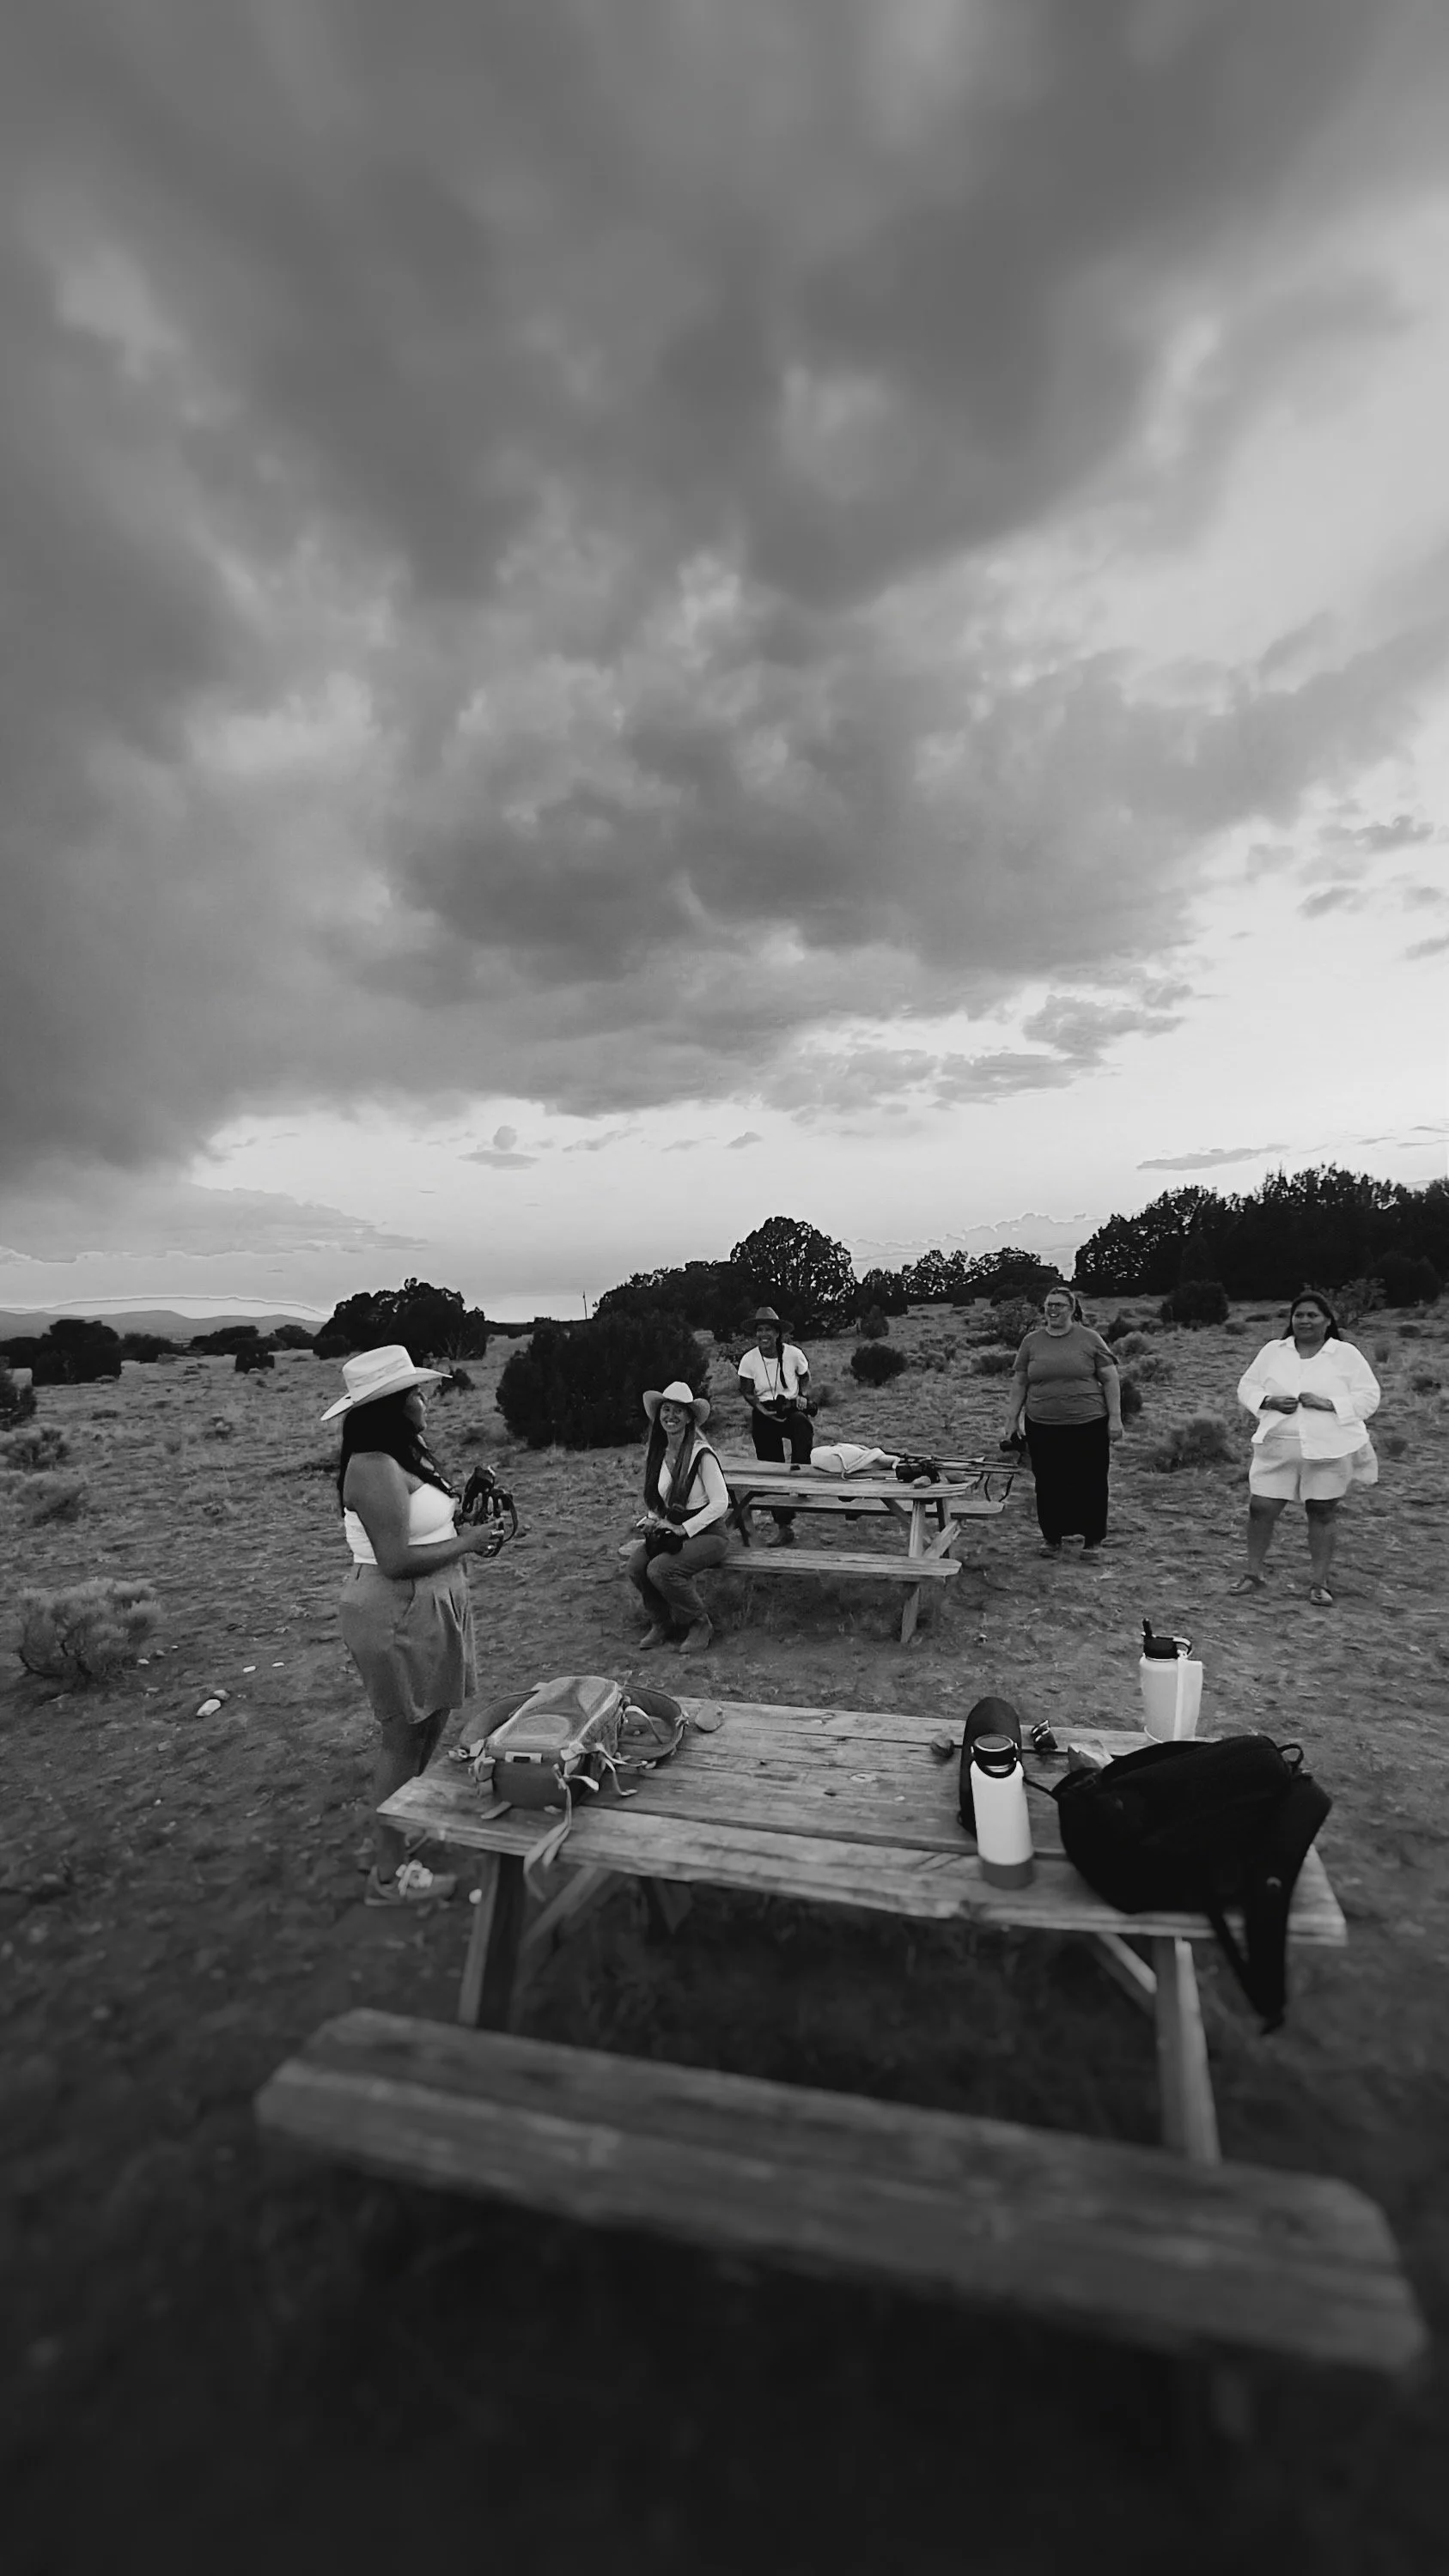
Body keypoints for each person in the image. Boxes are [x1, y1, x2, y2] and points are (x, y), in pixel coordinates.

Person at [325, 1345, 502, 1905]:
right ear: (393, 1406)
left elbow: (424, 1531)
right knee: (403, 1738)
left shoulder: (404, 1454)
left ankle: (403, 1830)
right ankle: (389, 1876)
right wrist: (468, 1542)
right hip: (395, 1607)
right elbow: (396, 1559)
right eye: (417, 1394)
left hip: (432, 1599)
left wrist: (465, 1528)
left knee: (432, 1721)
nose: (426, 1402)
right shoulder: (372, 1466)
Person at [1233, 1288, 1380, 1607]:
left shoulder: (1345, 1354)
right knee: (1261, 1508)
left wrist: (1328, 1404)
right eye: (1299, 1315)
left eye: (1313, 1315)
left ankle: (1319, 1582)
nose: (1305, 1320)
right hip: (1279, 1445)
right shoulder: (1274, 1350)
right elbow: (1247, 1386)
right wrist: (1268, 1401)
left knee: (1322, 1510)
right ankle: (1253, 1573)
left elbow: (1369, 1397)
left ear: (1327, 1320)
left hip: (1329, 1446)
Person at [1002, 1284, 1123, 1556]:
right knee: (1048, 1482)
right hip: (1043, 1424)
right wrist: (1012, 1419)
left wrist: (1115, 1418)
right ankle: (1052, 1537)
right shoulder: (1031, 1342)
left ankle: (1092, 1539)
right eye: (1048, 1305)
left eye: (1059, 1305)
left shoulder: (1089, 1339)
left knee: (1090, 1480)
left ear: (1072, 1310)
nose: (1052, 1309)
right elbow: (1020, 1380)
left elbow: (1110, 1378)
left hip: (1088, 1423)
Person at [626, 1381, 731, 1655]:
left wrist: (684, 1529)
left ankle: (698, 1622)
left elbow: (721, 1502)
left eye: (678, 1411)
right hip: (672, 1530)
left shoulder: (701, 1454)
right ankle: (662, 1622)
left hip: (708, 1534)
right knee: (637, 1566)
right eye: (666, 1409)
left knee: (661, 1569)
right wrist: (652, 1519)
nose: (671, 1416)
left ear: (689, 1418)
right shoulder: (659, 1454)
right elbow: (658, 1499)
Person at [736, 1303, 813, 1545]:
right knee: (771, 1467)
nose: (763, 1335)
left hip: (789, 1407)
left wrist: (802, 1395)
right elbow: (747, 1391)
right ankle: (784, 1526)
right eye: (760, 1330)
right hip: (764, 1411)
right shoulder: (749, 1360)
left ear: (777, 1333)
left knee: (802, 1426)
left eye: (768, 1330)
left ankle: (801, 1480)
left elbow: (805, 1375)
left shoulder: (793, 1353)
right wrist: (762, 1410)